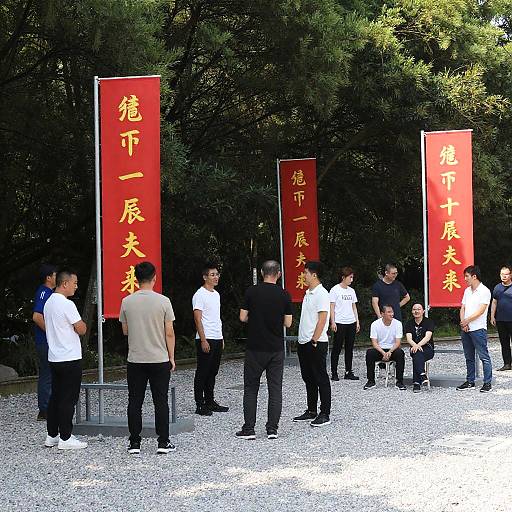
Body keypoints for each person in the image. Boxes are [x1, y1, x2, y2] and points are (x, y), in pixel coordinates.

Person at [120, 261, 176, 454]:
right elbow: (169, 332)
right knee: (160, 401)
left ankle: (135, 442)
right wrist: (172, 356)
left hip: (135, 359)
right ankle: (163, 442)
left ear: (136, 279)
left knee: (135, 401)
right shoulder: (164, 301)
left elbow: (125, 330)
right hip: (159, 358)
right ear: (154, 278)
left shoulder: (127, 302)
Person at [236, 260, 292, 440]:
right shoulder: (284, 294)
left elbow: (242, 317)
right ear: (279, 274)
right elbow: (288, 323)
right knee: (275, 388)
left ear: (262, 272)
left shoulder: (252, 291)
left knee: (251, 388)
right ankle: (272, 429)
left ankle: (249, 429)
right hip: (275, 348)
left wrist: (255, 317)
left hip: (255, 347)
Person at [43, 269, 87, 450]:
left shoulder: (48, 303)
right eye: (74, 283)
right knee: (68, 398)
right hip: (70, 357)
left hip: (54, 356)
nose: (76, 287)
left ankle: (52, 435)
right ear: (65, 284)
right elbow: (81, 329)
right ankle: (66, 437)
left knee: (56, 397)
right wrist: (82, 324)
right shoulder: (67, 304)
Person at [293, 261, 331, 427]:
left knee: (320, 377)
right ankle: (311, 409)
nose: (304, 276)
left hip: (316, 342)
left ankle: (325, 413)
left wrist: (314, 340)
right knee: (308, 377)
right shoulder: (308, 293)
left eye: (306, 273)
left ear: (314, 274)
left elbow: (323, 319)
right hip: (304, 342)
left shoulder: (322, 293)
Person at [193, 263, 228, 416]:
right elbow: (198, 319)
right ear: (205, 277)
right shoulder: (199, 294)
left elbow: (216, 318)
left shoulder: (216, 294)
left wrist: (221, 337)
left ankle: (210, 400)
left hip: (216, 336)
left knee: (213, 371)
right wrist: (203, 339)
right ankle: (199, 404)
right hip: (206, 337)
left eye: (217, 274)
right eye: (212, 274)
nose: (216, 277)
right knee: (203, 371)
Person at [457, 265, 493, 393]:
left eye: (467, 276)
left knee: (484, 356)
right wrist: (463, 322)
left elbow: (481, 310)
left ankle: (487, 382)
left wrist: (467, 320)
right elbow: (463, 307)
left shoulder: (485, 291)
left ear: (474, 276)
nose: (465, 279)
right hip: (466, 328)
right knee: (469, 357)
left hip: (478, 328)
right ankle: (470, 381)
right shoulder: (467, 291)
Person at [32, 264, 57, 421]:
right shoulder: (44, 293)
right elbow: (36, 316)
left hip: (47, 341)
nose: (57, 278)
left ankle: (48, 407)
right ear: (48, 277)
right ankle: (44, 409)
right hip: (45, 341)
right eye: (55, 275)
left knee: (50, 374)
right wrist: (51, 333)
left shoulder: (49, 293)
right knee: (47, 374)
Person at [364, 304, 406, 390]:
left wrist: (390, 352)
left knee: (400, 353)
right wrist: (383, 353)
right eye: (389, 312)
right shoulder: (375, 324)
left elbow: (398, 342)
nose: (392, 314)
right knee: (369, 353)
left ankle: (399, 382)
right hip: (380, 349)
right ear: (382, 314)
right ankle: (371, 381)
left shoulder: (398, 323)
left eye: (392, 312)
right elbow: (374, 343)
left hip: (392, 349)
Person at [329, 266, 360, 381]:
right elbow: (331, 307)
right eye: (350, 277)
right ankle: (334, 372)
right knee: (337, 347)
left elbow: (354, 307)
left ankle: (348, 371)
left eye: (352, 277)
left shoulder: (351, 291)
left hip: (351, 321)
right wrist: (333, 322)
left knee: (349, 348)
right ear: (343, 277)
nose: (351, 280)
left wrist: (357, 321)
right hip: (340, 322)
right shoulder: (334, 290)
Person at [405, 304, 434, 393]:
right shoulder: (409, 323)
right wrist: (415, 346)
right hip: (414, 347)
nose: (416, 311)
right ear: (412, 311)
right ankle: (422, 375)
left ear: (423, 311)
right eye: (414, 309)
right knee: (417, 354)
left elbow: (427, 337)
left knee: (417, 355)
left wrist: (418, 345)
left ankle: (417, 383)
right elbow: (409, 338)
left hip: (427, 348)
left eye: (418, 309)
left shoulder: (429, 322)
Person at [490, 265, 512, 371]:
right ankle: (507, 364)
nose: (504, 276)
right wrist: (492, 316)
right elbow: (494, 302)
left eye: (506, 274)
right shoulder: (497, 288)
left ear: (510, 275)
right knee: (504, 342)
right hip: (501, 320)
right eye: (502, 274)